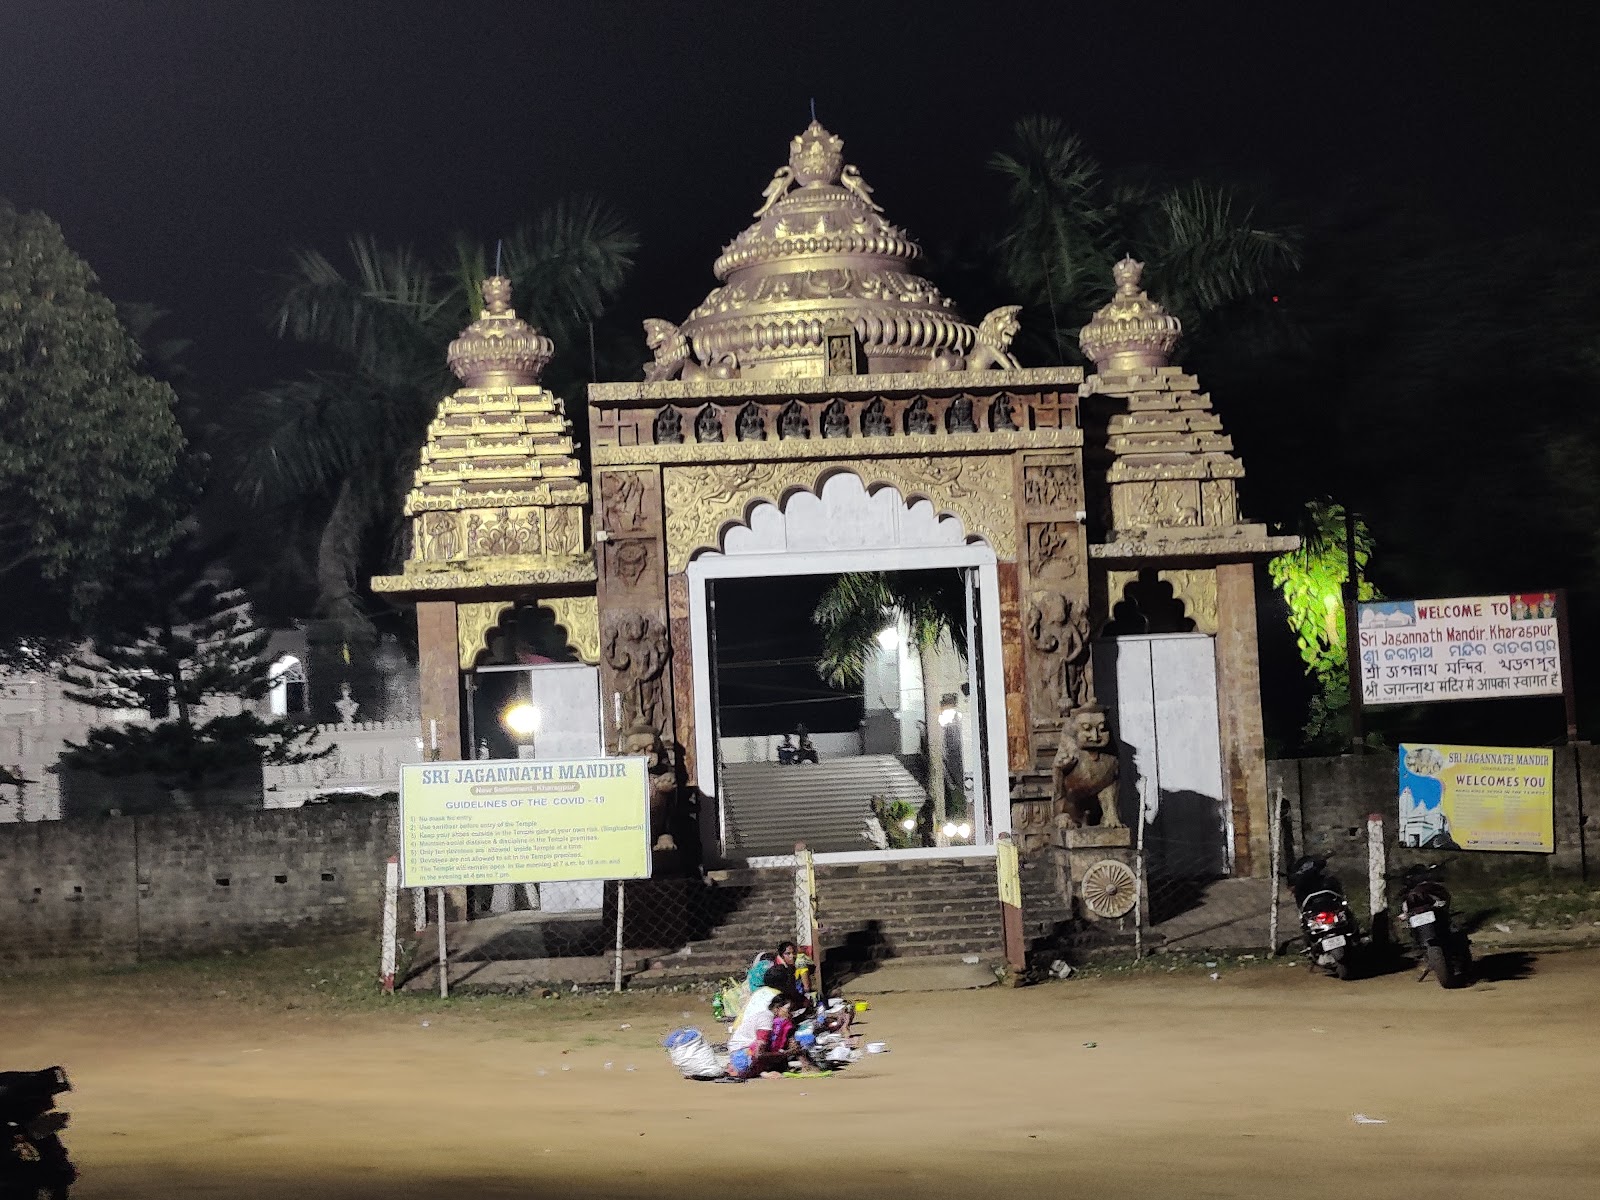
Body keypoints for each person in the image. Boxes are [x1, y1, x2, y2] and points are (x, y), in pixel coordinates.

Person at [726, 992, 796, 1079]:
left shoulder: (777, 1021)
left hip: (744, 1055)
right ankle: (760, 1071)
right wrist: (784, 1054)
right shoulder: (766, 1019)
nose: (791, 1013)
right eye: (789, 1009)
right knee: (763, 1045)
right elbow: (758, 1053)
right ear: (778, 1008)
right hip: (742, 1057)